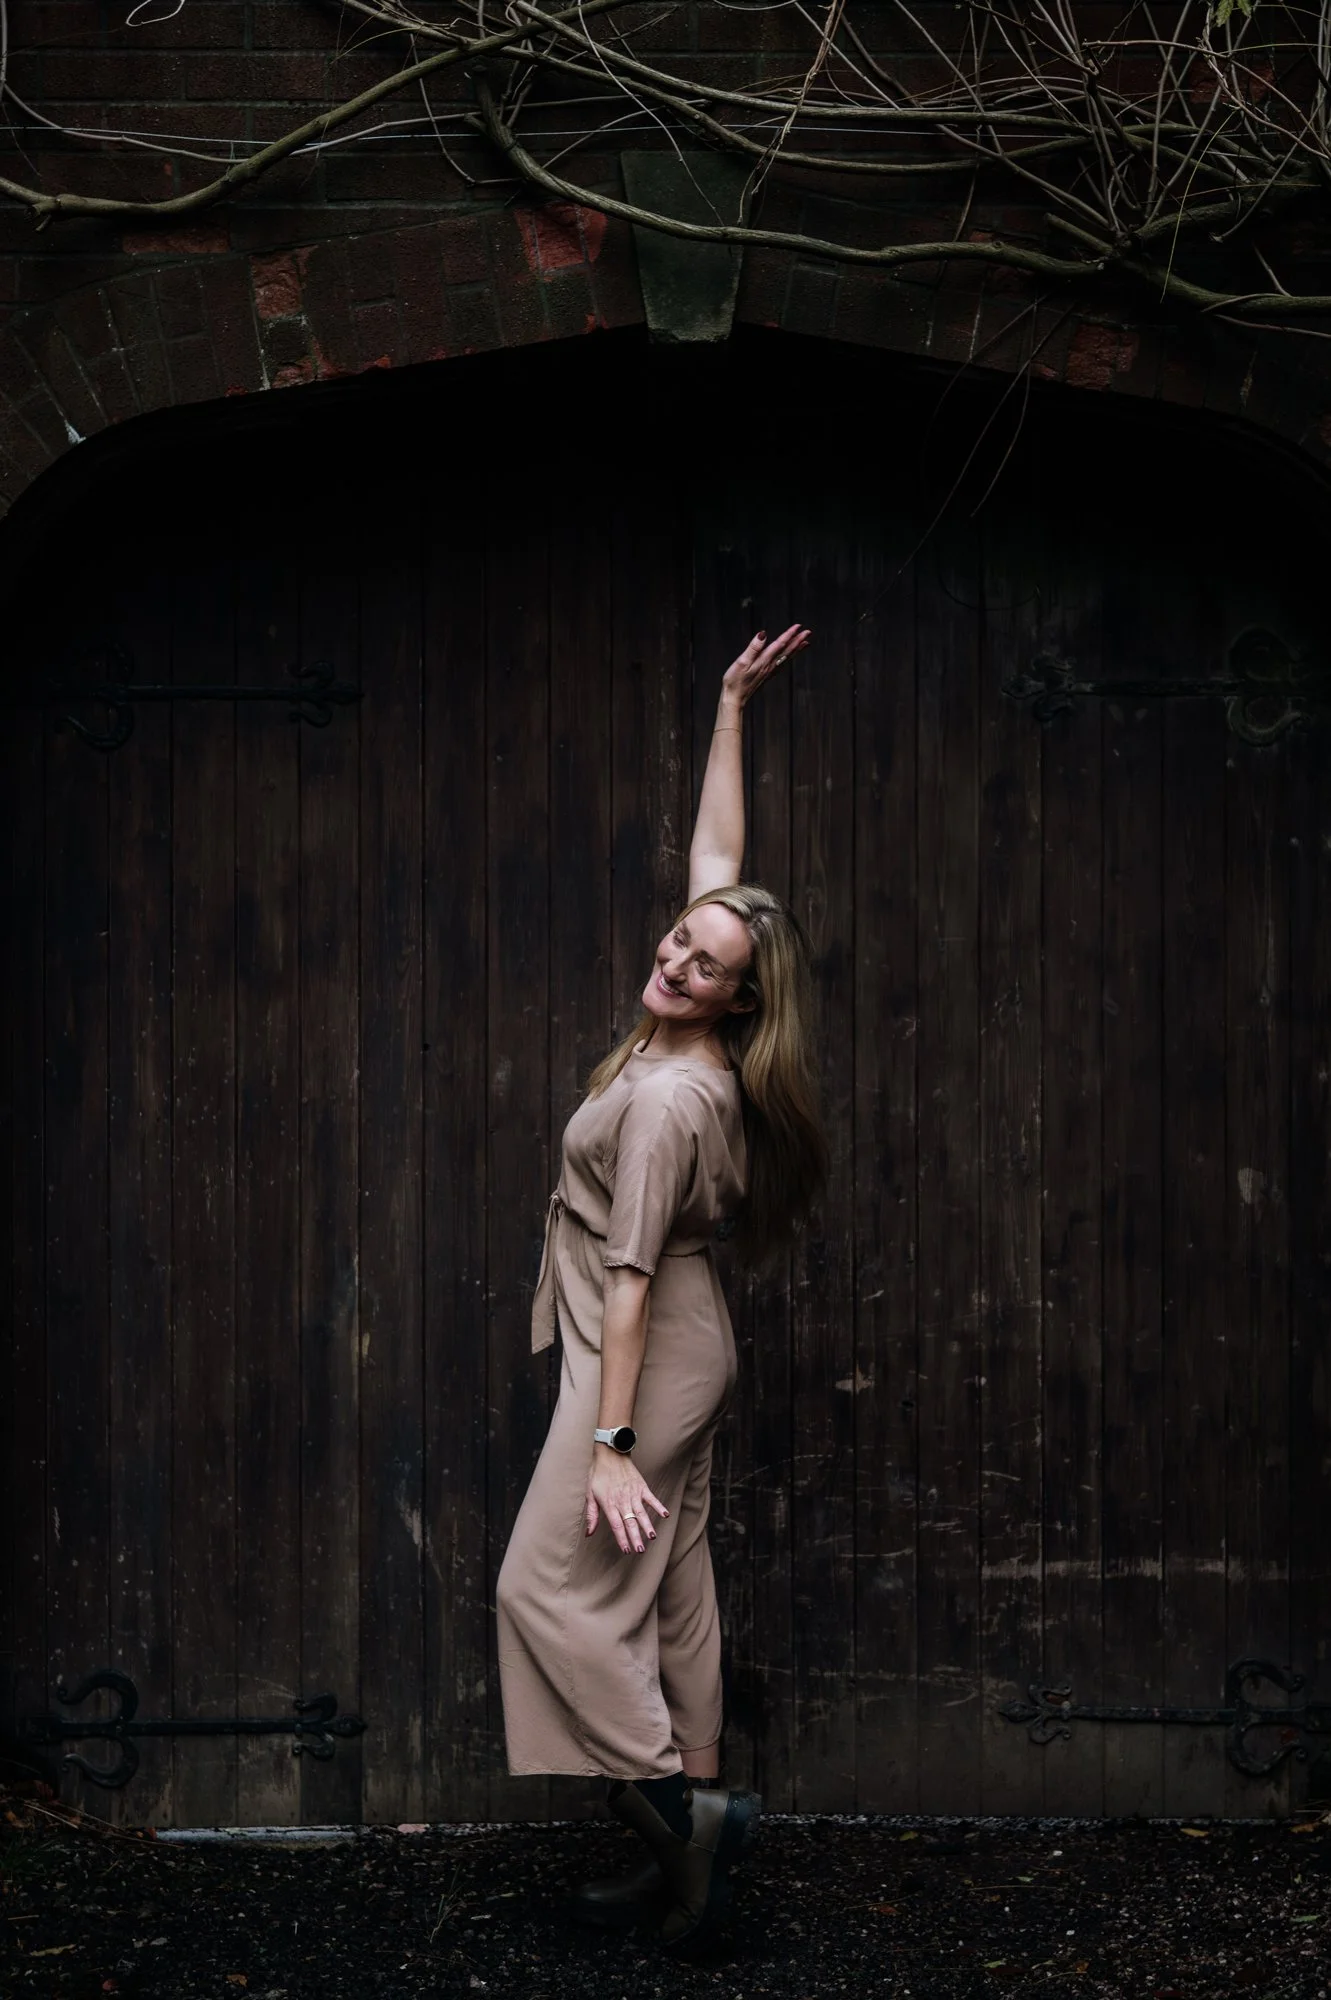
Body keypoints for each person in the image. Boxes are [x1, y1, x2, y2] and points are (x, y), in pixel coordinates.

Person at [495, 625, 828, 1949]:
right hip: (669, 1332)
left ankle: (684, 1825)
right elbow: (716, 872)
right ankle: (691, 1824)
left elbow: (628, 1284)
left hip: (640, 1344)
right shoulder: (698, 1025)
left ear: (738, 1006)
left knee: (543, 1588)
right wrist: (731, 709)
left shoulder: (672, 1099)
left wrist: (612, 1444)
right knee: (672, 1590)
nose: (674, 961)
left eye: (701, 966)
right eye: (675, 944)